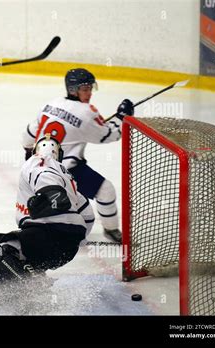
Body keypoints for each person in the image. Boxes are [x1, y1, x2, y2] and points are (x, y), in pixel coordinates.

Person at [0, 134, 94, 304]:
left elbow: (45, 177)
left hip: (47, 235)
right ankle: (33, 282)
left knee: (7, 250)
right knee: (29, 259)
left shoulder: (38, 161)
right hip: (66, 250)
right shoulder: (70, 180)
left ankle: (15, 292)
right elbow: (88, 216)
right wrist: (77, 240)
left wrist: (51, 193)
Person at [21, 68, 134, 243]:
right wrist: (122, 117)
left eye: (90, 88)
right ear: (73, 89)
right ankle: (110, 230)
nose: (89, 93)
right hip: (66, 170)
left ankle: (46, 229)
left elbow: (29, 133)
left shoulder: (51, 104)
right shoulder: (87, 112)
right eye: (84, 89)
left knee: (57, 203)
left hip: (36, 167)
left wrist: (29, 152)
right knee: (105, 191)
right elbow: (109, 135)